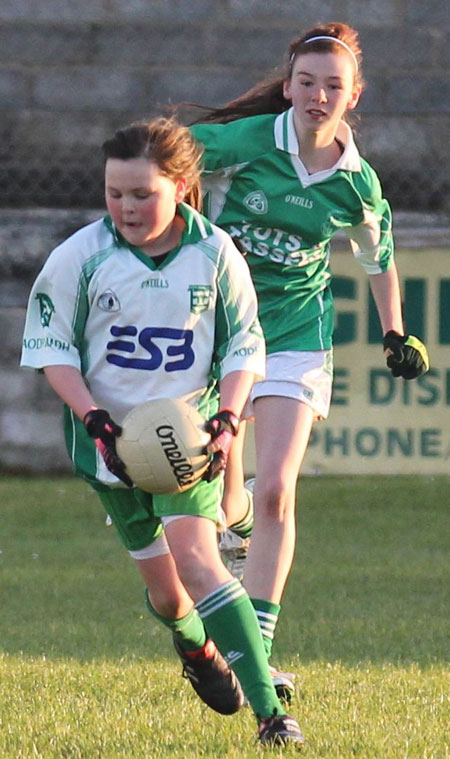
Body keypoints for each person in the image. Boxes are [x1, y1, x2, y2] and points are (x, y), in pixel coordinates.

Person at [20, 117, 304, 747]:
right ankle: (194, 644)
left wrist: (228, 423)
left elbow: (242, 349)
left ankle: (270, 714)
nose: (125, 206)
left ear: (179, 186)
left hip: (188, 442)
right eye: (114, 192)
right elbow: (50, 347)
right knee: (172, 597)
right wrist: (95, 420)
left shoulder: (214, 254)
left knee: (201, 563)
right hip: (110, 452)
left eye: (141, 194)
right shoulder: (80, 258)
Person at [187, 21, 429, 700]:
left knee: (275, 491)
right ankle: (228, 533)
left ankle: (253, 656)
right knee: (226, 492)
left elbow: (378, 258)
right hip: (222, 328)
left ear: (354, 96)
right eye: (306, 83)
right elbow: (163, 160)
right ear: (289, 86)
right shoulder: (245, 143)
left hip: (297, 332)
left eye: (333, 86)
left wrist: (394, 332)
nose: (318, 96)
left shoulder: (357, 183)